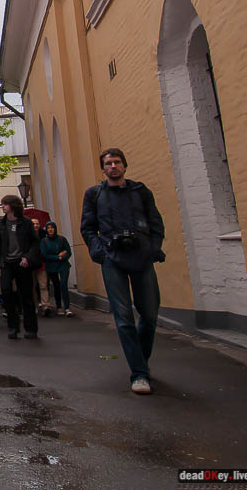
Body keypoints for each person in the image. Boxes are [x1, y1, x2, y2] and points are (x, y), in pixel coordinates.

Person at [81, 148, 165, 395]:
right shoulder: (94, 195)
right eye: (108, 163)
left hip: (141, 258)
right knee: (124, 318)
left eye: (117, 162)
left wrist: (152, 248)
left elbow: (155, 222)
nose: (113, 167)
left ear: (125, 166)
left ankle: (140, 360)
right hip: (113, 259)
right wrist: (101, 252)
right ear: (103, 168)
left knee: (149, 315)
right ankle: (139, 373)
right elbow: (87, 228)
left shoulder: (140, 192)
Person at [0, 194, 42, 340]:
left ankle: (31, 328)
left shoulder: (25, 223)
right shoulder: (1, 223)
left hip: (22, 262)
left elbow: (35, 242)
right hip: (7, 263)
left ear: (12, 206)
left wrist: (27, 257)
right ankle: (13, 326)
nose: (2, 207)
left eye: (4, 204)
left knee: (26, 295)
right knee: (6, 292)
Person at [40, 221, 73, 317]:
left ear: (55, 228)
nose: (50, 229)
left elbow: (68, 252)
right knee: (56, 286)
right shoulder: (44, 241)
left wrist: (62, 257)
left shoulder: (62, 239)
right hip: (51, 266)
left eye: (52, 227)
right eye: (48, 228)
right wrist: (57, 257)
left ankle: (67, 307)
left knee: (63, 285)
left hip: (63, 265)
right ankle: (59, 306)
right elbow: (44, 255)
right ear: (46, 230)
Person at [31, 217, 53, 317]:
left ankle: (45, 305)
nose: (35, 226)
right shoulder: (27, 236)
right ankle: (34, 306)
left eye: (37, 224)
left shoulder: (44, 237)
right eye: (33, 224)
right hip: (31, 265)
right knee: (32, 287)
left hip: (41, 264)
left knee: (43, 285)